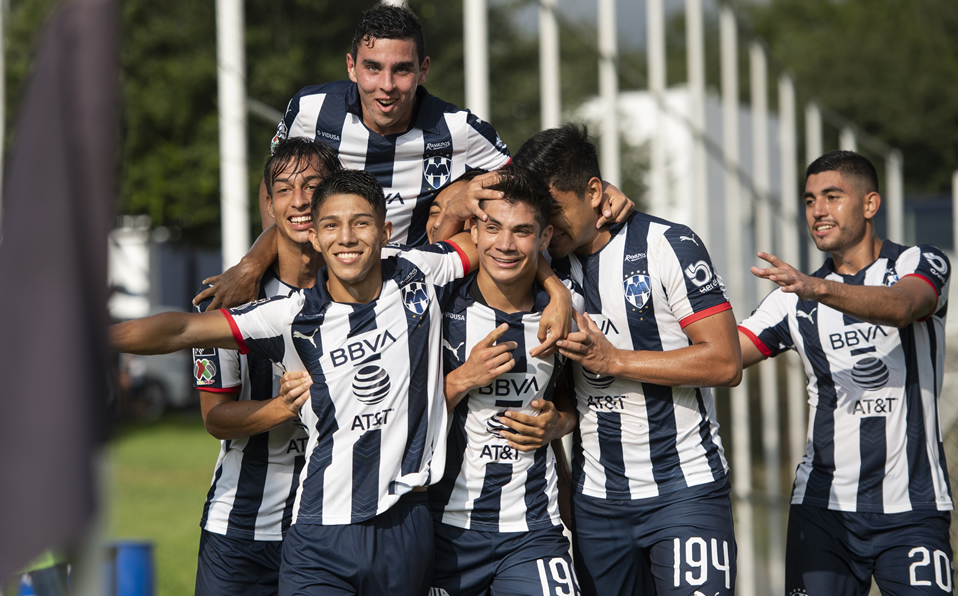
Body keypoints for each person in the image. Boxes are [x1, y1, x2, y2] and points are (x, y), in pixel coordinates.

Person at [111, 168, 572, 595]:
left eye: (361, 224)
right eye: (331, 225)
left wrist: (557, 291)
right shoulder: (291, 316)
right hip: (320, 534)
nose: (346, 238)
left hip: (406, 528)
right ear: (313, 235)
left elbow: (508, 244)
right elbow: (180, 329)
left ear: (386, 231)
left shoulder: (417, 275)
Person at [194, 3, 630, 316]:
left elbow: (528, 193)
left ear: (423, 70)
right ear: (351, 67)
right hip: (320, 290)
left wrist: (598, 190)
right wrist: (261, 260)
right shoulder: (309, 110)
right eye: (372, 68)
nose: (386, 85)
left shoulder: (460, 130)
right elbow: (276, 187)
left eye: (401, 69)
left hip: (413, 302)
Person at [513, 123, 743, 596]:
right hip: (598, 504)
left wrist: (615, 360)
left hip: (684, 493)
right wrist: (558, 423)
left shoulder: (668, 245)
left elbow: (724, 362)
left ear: (594, 191)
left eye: (554, 209)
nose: (546, 226)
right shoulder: (543, 265)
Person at [737, 150, 953, 595]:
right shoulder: (791, 299)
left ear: (870, 204)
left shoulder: (919, 262)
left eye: (832, 197)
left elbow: (903, 307)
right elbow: (721, 358)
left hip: (914, 509)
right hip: (823, 510)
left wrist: (816, 287)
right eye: (810, 199)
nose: (818, 210)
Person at [190, 138, 339, 596]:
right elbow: (215, 419)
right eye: (284, 189)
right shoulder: (225, 306)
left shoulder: (365, 295)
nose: (299, 200)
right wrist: (287, 406)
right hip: (239, 535)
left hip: (329, 532)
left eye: (313, 186)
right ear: (269, 204)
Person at [430, 166, 582, 595]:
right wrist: (460, 380)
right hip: (446, 531)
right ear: (473, 233)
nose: (505, 244)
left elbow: (570, 400)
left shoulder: (566, 313)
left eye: (522, 231)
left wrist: (559, 424)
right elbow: (398, 417)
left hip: (534, 531)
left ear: (545, 238)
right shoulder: (435, 308)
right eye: (493, 228)